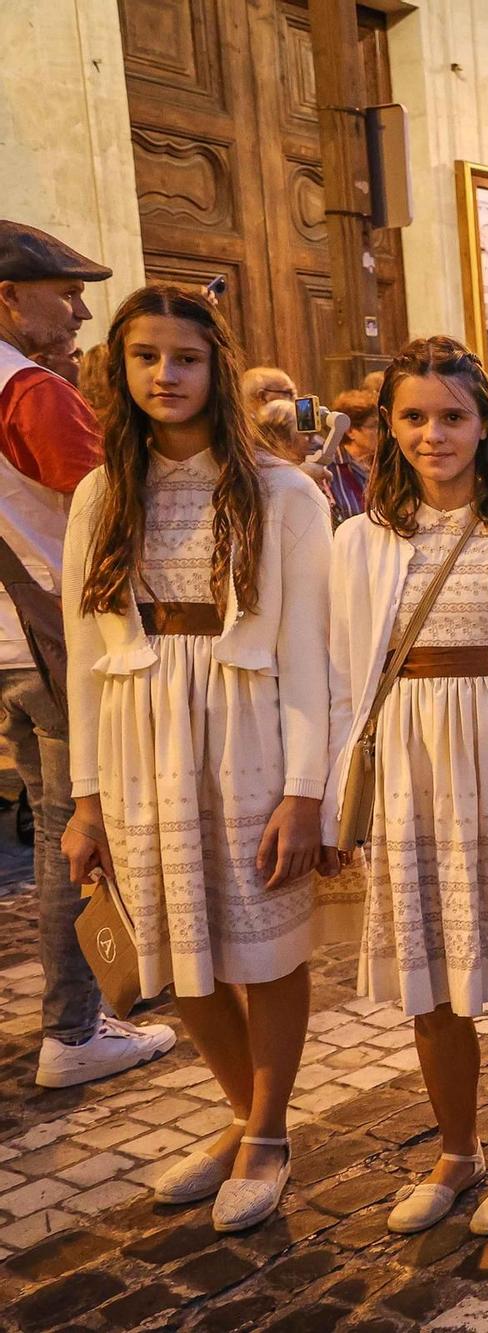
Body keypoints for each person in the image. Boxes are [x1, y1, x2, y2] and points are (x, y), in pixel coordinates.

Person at [61, 284, 331, 1232]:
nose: (165, 375)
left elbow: (310, 655)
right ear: (119, 368)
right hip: (143, 737)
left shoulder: (284, 493)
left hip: (246, 725)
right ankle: (242, 1115)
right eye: (145, 357)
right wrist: (84, 801)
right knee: (182, 945)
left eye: (185, 358)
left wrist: (307, 792)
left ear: (217, 368)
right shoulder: (101, 491)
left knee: (262, 942)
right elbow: (87, 655)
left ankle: (269, 1131)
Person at [320, 336, 488, 1237]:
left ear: (485, 425)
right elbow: (343, 674)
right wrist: (331, 794)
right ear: (387, 426)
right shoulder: (359, 539)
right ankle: (457, 1150)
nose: (434, 433)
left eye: (453, 416)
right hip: (411, 766)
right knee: (430, 977)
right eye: (415, 416)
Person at [0, 221, 177, 1089]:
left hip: (8, 645)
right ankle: (74, 1026)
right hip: (50, 639)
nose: (78, 311)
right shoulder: (28, 391)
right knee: (83, 828)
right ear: (8, 299)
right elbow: (110, 509)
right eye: (62, 294)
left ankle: (81, 1012)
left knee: (55, 826)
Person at [322, 387, 379, 525]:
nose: (382, 432)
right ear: (350, 431)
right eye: (374, 426)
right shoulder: (329, 467)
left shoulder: (387, 463)